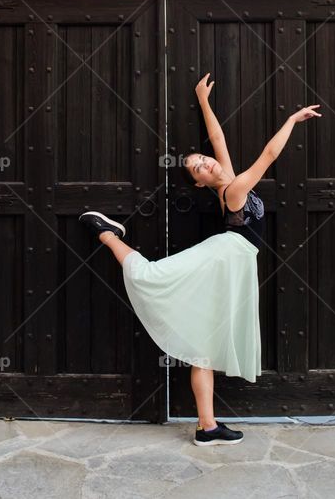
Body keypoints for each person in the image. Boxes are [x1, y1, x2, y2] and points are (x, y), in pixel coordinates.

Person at [79, 73, 321, 445]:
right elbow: (270, 155)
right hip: (224, 258)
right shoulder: (236, 189)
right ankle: (107, 233)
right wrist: (291, 120)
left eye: (204, 160)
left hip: (231, 265)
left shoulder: (227, 178)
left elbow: (218, 139)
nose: (206, 164)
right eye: (198, 168)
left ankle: (206, 427)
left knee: (203, 347)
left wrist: (203, 101)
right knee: (152, 275)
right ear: (198, 183)